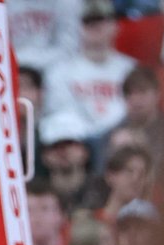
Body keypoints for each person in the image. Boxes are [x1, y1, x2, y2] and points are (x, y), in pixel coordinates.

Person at [42, 0, 137, 145]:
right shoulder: (59, 71)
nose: (95, 25)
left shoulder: (131, 69)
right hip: (78, 143)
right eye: (88, 21)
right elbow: (62, 114)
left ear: (116, 26)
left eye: (101, 19)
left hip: (120, 142)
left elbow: (136, 110)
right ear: (78, 26)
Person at [6, 0, 81, 75]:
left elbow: (68, 49)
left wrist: (28, 61)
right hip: (12, 65)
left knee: (60, 74)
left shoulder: (67, 3)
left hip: (52, 67)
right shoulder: (3, 3)